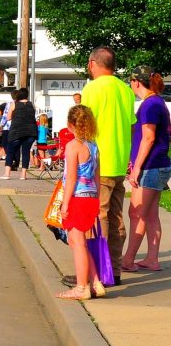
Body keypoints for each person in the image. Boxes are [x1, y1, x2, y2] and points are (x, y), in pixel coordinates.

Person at [66, 46, 135, 288]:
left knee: (97, 219)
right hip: (119, 162)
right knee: (116, 217)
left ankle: (96, 273)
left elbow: (84, 124)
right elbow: (131, 126)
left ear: (93, 63)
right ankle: (114, 269)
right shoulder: (126, 90)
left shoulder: (93, 88)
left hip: (98, 164)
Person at [121, 66, 170, 273]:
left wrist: (136, 168)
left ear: (136, 82)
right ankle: (151, 259)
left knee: (137, 213)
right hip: (159, 164)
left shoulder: (150, 104)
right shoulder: (157, 101)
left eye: (130, 82)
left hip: (150, 166)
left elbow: (148, 138)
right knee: (150, 214)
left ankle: (128, 260)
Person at [56, 104, 105, 300]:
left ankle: (81, 287)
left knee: (77, 243)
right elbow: (97, 177)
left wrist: (65, 204)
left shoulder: (72, 146)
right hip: (91, 197)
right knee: (79, 242)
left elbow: (72, 178)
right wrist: (97, 199)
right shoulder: (93, 146)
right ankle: (96, 282)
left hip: (77, 197)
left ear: (70, 124)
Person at [0, 88, 36, 180]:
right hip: (31, 131)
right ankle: (23, 175)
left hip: (17, 131)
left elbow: (8, 117)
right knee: (26, 152)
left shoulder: (14, 104)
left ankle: (7, 174)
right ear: (27, 95)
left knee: (10, 151)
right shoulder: (32, 104)